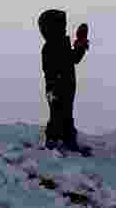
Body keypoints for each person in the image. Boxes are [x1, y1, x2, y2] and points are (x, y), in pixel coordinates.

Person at [38, 9, 89, 152]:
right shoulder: (52, 46)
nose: (64, 28)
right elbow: (71, 59)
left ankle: (66, 140)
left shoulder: (58, 44)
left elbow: (73, 58)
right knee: (58, 114)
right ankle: (54, 141)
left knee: (65, 113)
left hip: (63, 86)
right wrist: (80, 43)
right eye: (61, 25)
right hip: (57, 87)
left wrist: (80, 42)